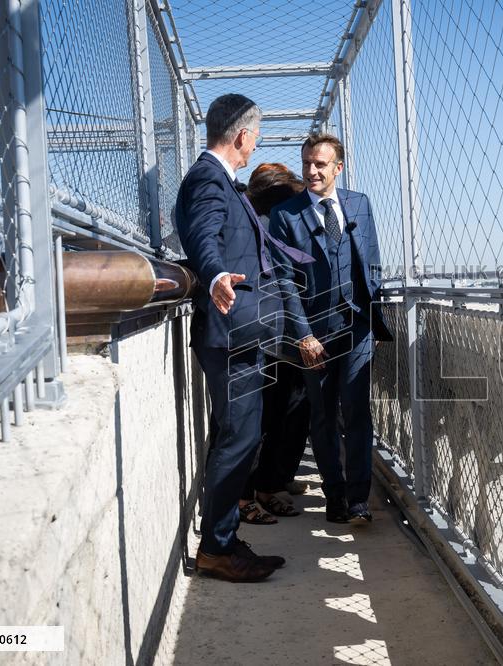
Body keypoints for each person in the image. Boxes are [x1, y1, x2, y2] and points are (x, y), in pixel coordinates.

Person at [174, 94, 312, 582]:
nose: (256, 146)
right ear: (241, 136)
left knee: (242, 435)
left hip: (243, 334)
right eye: (256, 136)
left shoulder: (221, 182)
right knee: (238, 437)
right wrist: (213, 276)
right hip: (231, 333)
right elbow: (202, 236)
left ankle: (224, 539)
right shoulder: (208, 180)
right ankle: (216, 549)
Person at [270, 133, 392, 525]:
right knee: (322, 417)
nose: (311, 171)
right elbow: (285, 280)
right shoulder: (285, 216)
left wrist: (372, 317)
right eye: (307, 163)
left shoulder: (360, 204)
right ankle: (335, 496)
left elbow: (371, 262)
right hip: (314, 335)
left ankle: (359, 499)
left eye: (320, 164)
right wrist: (303, 334)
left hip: (356, 327)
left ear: (338, 168)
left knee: (357, 412)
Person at [237, 163, 311, 524]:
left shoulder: (272, 224)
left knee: (289, 406)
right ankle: (248, 492)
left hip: (288, 332)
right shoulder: (257, 226)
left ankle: (270, 482)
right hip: (265, 333)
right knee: (264, 414)